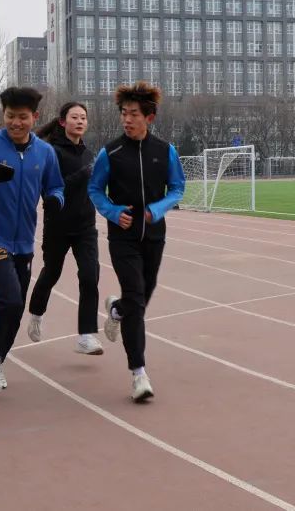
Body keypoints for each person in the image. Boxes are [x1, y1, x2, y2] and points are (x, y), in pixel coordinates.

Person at [88, 81, 185, 402]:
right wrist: (114, 212)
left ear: (149, 118)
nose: (127, 119)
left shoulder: (166, 151)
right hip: (123, 238)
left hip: (154, 236)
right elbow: (95, 190)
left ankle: (117, 310)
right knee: (136, 299)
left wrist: (157, 209)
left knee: (141, 297)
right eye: (124, 113)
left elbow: (177, 188)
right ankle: (138, 373)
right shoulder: (110, 152)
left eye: (134, 114)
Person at [0, 87, 64, 393]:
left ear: (35, 117)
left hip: (24, 240)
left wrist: (55, 199)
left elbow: (55, 186)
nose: (16, 123)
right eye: (10, 116)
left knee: (17, 305)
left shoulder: (44, 152)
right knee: (8, 299)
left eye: (22, 117)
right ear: (4, 115)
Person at [26, 102, 102, 355]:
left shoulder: (89, 154)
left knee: (90, 276)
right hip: (58, 224)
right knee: (52, 272)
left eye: (83, 117)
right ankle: (36, 313)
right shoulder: (51, 153)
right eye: (74, 117)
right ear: (62, 122)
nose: (80, 121)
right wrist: (83, 174)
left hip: (86, 226)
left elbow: (93, 186)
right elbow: (50, 190)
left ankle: (86, 336)